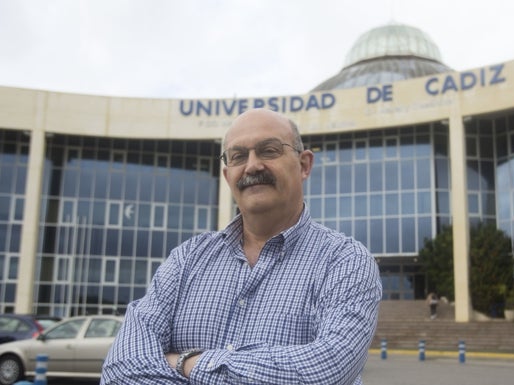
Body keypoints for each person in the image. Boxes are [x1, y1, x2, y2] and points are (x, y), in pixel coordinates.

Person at [101, 108, 382, 384]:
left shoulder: (346, 261)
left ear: (304, 165)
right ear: (227, 176)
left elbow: (326, 370)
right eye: (238, 156)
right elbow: (120, 372)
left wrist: (186, 362)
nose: (252, 166)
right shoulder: (187, 259)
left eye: (269, 150)